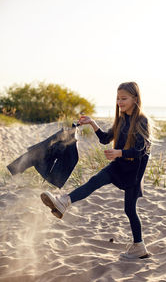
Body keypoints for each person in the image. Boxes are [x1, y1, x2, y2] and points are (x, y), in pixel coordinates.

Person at [40, 81, 152, 259]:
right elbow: (105, 139)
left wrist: (119, 152)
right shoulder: (122, 119)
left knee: (130, 210)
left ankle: (139, 246)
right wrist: (92, 123)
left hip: (133, 172)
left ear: (135, 99)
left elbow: (141, 150)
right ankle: (64, 202)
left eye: (124, 98)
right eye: (117, 98)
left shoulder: (142, 121)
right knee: (94, 181)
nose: (120, 102)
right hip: (119, 166)